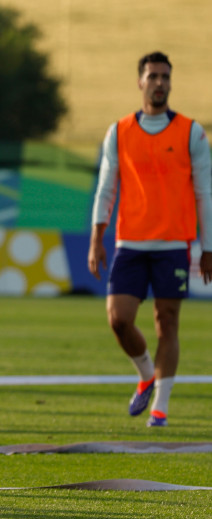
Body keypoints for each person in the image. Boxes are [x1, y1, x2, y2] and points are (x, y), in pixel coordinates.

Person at [88, 51, 212, 428]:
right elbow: (106, 187)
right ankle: (145, 374)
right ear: (140, 82)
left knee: (167, 323)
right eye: (153, 76)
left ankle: (160, 407)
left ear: (170, 83)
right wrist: (97, 238)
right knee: (118, 320)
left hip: (174, 244)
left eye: (165, 77)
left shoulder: (191, 132)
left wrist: (208, 248)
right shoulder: (120, 130)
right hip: (130, 243)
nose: (160, 83)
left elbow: (204, 191)